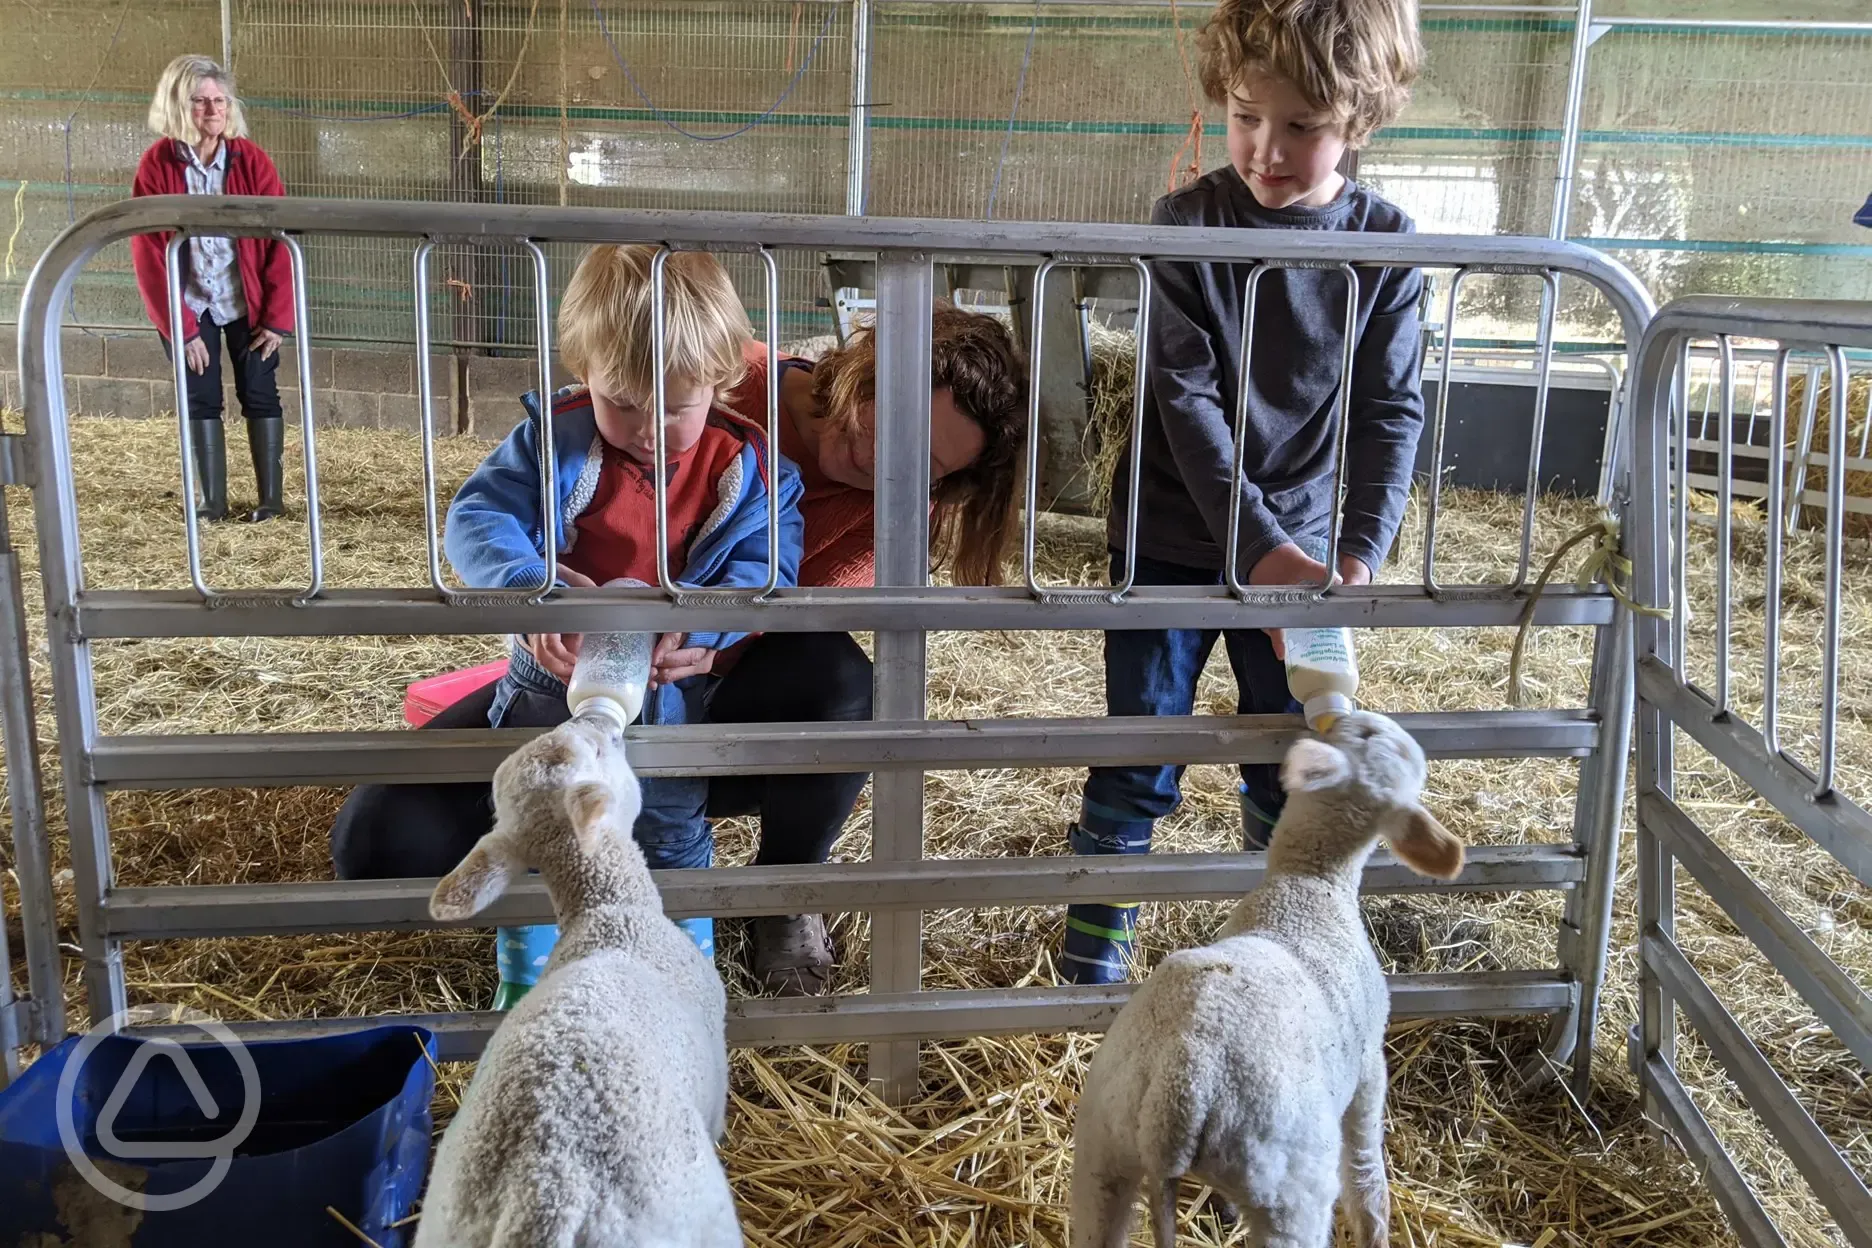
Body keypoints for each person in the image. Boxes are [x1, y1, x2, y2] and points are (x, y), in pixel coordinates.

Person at [328, 299, 1028, 1003]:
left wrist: (705, 630)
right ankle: (554, 893)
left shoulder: (873, 506)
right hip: (572, 669)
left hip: (711, 682)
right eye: (889, 423)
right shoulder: (708, 366)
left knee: (841, 677)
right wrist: (531, 589)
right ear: (868, 376)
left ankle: (780, 890)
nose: (883, 460)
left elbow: (787, 595)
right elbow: (495, 512)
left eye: (922, 465)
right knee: (379, 849)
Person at [1057, 0, 1429, 985]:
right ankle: (1089, 973)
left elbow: (1390, 410)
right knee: (1141, 753)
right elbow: (1183, 401)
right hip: (1174, 536)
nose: (1266, 148)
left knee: (1292, 753)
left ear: (1360, 117)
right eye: (1242, 115)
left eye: (1301, 125)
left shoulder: (1385, 242)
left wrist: (1357, 555)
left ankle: (1278, 954)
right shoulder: (1186, 225)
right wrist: (1263, 550)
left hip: (1303, 558)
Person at [332, 243, 804, 1010]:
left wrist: (710, 631)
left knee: (672, 824)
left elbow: (768, 569)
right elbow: (478, 518)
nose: (649, 428)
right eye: (622, 401)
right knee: (543, 824)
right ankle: (536, 989)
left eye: (676, 407)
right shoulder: (552, 441)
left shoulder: (751, 470)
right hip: (551, 676)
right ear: (583, 373)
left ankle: (682, 988)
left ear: (720, 383)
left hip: (667, 689)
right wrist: (532, 588)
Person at [130, 53, 294, 524]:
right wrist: (180, 329)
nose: (212, 110)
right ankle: (212, 503)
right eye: (200, 101)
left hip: (247, 301)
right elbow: (149, 252)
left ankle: (271, 501)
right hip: (188, 303)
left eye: (219, 100)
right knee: (200, 395)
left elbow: (282, 241)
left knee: (260, 391)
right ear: (178, 106)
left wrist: (278, 317)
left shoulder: (251, 160)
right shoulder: (156, 165)